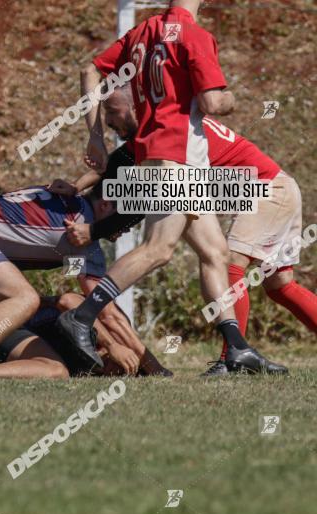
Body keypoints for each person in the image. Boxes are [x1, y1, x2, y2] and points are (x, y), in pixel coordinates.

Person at [59, 0, 286, 375]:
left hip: (170, 157)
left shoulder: (143, 32)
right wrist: (231, 99)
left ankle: (237, 348)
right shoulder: (195, 36)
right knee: (157, 249)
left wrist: (95, 137)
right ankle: (81, 317)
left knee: (216, 253)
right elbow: (213, 101)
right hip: (175, 156)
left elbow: (90, 70)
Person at [70, 86, 314, 376]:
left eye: (111, 111)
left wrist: (97, 229)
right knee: (280, 286)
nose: (107, 121)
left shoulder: (165, 134)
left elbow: (146, 195)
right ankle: (235, 356)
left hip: (268, 190)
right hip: (270, 187)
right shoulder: (165, 125)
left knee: (230, 264)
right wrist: (75, 187)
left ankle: (232, 360)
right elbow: (121, 164)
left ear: (136, 107)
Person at [0, 182, 170, 378]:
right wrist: (154, 368)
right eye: (126, 217)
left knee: (3, 298)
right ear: (105, 204)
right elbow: (105, 312)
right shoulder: (82, 232)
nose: (127, 227)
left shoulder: (65, 198)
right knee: (25, 299)